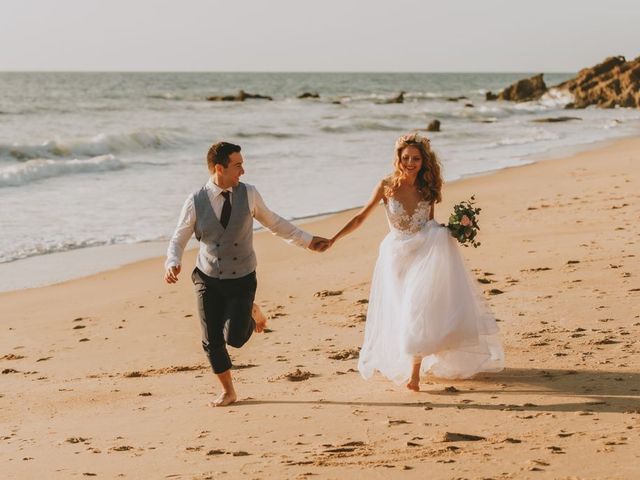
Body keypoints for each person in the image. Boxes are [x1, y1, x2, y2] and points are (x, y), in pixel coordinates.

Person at [326, 133, 504, 390]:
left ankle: (414, 374)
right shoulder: (386, 185)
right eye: (406, 157)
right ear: (398, 158)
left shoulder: (429, 187)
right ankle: (415, 360)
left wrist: (455, 228)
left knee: (416, 307)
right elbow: (359, 217)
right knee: (404, 309)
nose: (411, 162)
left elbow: (430, 221)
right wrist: (334, 239)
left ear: (424, 161)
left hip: (427, 249)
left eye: (416, 158)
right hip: (397, 254)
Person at [164, 141, 330, 407]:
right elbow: (179, 237)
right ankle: (228, 391)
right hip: (207, 277)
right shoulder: (195, 201)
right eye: (238, 165)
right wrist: (172, 261)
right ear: (220, 168)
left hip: (242, 277)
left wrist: (308, 241)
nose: (243, 171)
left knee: (236, 339)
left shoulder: (249, 194)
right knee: (212, 340)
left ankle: (251, 311)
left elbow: (274, 223)